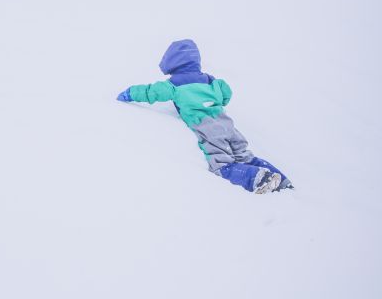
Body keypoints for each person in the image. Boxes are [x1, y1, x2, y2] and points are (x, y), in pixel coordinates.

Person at [117, 39, 292, 194]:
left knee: (222, 164)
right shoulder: (209, 80)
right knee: (245, 156)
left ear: (171, 62)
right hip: (227, 124)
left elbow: (151, 92)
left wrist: (129, 93)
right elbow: (226, 93)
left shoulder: (174, 84)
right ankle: (282, 181)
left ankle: (259, 179)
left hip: (207, 128)